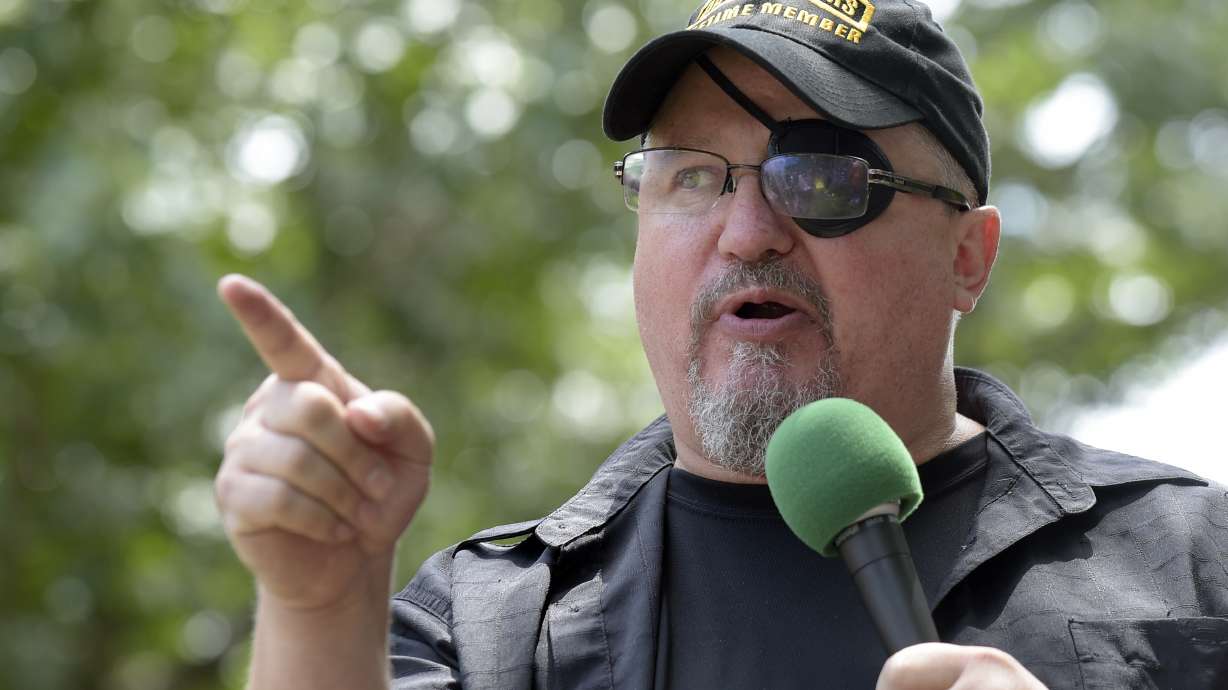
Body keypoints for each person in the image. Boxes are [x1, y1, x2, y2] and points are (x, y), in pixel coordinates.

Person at [213, 1, 1228, 688]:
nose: (746, 233)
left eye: (823, 177)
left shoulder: (1196, 569)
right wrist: (320, 608)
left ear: (969, 256)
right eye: (691, 177)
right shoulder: (487, 628)